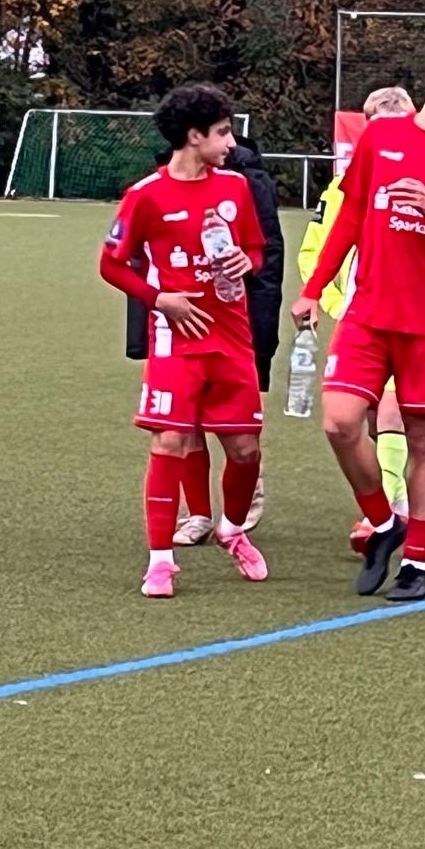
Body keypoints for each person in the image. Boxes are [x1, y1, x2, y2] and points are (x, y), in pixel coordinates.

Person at [291, 40, 425, 603]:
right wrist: (313, 289)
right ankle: (385, 524)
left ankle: (416, 563)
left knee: (423, 439)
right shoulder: (381, 137)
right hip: (368, 312)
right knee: (339, 423)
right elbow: (351, 216)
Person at [99, 84, 270, 597]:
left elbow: (256, 250)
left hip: (232, 336)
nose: (231, 142)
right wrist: (160, 300)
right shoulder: (145, 195)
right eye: (222, 132)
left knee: (245, 449)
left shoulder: (236, 188)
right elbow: (111, 264)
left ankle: (232, 530)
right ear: (194, 137)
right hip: (176, 339)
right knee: (169, 441)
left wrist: (246, 262)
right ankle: (160, 562)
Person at [296, 85, 416, 553]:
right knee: (361, 414)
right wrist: (331, 301)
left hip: (414, 316)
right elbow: (317, 247)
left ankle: (379, 516)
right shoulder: (341, 188)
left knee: (392, 409)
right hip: (359, 316)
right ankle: (396, 505)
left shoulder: (423, 178)